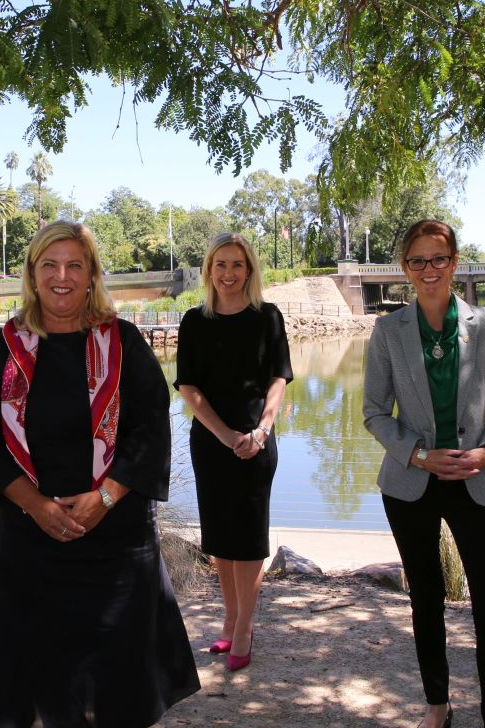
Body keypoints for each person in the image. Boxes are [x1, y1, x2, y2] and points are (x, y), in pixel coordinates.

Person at [0, 221, 199, 727]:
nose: (62, 277)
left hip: (115, 537)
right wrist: (35, 505)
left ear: (91, 276)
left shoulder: (122, 342)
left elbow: (150, 429)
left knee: (117, 688)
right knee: (34, 679)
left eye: (74, 265)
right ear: (33, 275)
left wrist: (103, 498)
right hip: (26, 537)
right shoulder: (7, 349)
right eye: (50, 265)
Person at [362, 219, 485, 728]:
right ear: (405, 269)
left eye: (439, 259)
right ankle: (438, 707)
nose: (430, 269)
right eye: (418, 260)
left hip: (475, 483)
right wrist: (419, 456)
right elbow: (375, 412)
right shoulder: (388, 331)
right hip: (412, 486)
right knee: (425, 603)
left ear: (454, 263)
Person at [174, 232, 291, 672]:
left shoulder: (269, 317)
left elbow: (278, 380)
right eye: (220, 264)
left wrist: (261, 430)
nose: (228, 273)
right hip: (211, 442)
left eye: (237, 264)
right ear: (208, 271)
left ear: (250, 269)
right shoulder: (194, 321)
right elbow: (188, 386)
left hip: (257, 442)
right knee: (221, 538)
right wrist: (224, 436)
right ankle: (229, 618)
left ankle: (244, 626)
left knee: (248, 539)